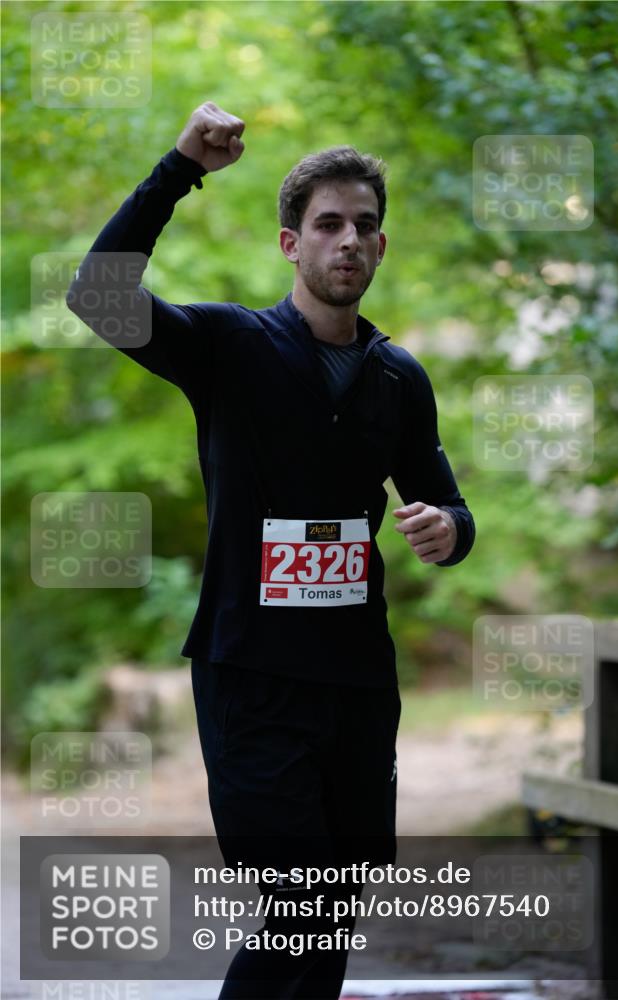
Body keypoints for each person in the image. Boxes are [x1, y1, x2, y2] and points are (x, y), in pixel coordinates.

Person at [67, 101, 476, 1000]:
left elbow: (444, 505)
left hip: (357, 683)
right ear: (291, 244)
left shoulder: (398, 377)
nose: (348, 240)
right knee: (300, 903)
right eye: (327, 224)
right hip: (251, 676)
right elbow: (95, 295)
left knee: (334, 906)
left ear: (380, 245)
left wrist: (450, 530)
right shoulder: (227, 347)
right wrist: (180, 167)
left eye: (364, 225)